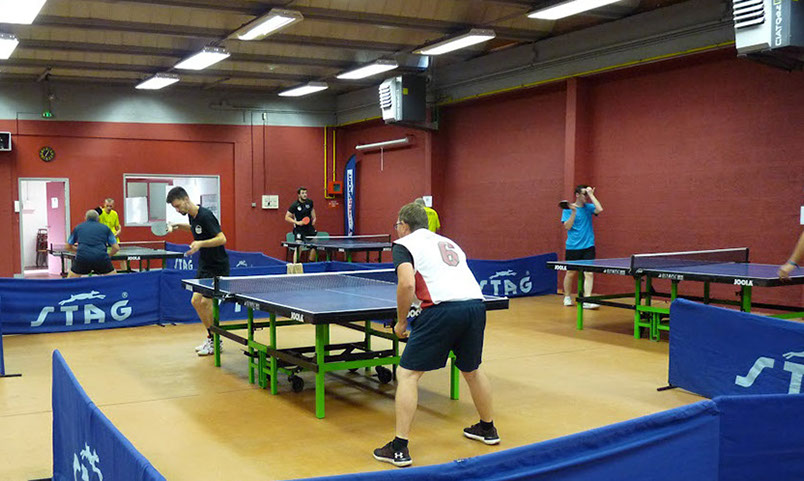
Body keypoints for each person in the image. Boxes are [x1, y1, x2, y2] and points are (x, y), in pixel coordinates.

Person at [373, 203, 498, 468]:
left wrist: (401, 322)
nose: (396, 229)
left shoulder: (403, 244)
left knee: (407, 374)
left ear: (404, 225)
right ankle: (488, 429)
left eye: (397, 225)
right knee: (472, 370)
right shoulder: (449, 242)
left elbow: (407, 283)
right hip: (475, 306)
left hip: (442, 309)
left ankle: (399, 448)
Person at [165, 187, 229, 357]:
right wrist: (178, 226)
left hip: (217, 265)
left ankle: (216, 341)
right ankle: (211, 337)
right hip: (205, 265)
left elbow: (222, 238)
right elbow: (195, 228)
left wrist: (200, 244)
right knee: (195, 301)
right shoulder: (191, 216)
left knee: (206, 303)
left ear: (186, 199)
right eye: (174, 207)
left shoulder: (206, 215)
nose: (177, 210)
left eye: (178, 206)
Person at [561, 185, 603, 309]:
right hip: (573, 247)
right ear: (577, 195)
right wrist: (574, 211)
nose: (586, 196)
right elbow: (567, 226)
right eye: (584, 194)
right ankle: (567, 296)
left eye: (586, 194)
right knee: (570, 273)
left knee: (589, 273)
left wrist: (591, 194)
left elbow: (599, 209)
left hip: (588, 246)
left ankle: (587, 300)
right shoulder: (568, 210)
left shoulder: (589, 208)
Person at [65, 210, 119, 277]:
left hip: (83, 258)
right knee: (113, 279)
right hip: (101, 257)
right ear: (98, 219)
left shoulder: (78, 228)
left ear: (85, 218)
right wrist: (108, 256)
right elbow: (116, 248)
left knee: (71, 279)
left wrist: (78, 250)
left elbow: (67, 247)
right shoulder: (106, 228)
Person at [284, 186, 317, 262]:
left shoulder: (310, 202)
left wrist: (314, 218)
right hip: (299, 229)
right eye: (303, 193)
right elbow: (287, 217)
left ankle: (310, 263)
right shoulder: (294, 205)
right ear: (299, 195)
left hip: (309, 228)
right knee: (298, 247)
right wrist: (297, 222)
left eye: (306, 193)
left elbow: (312, 210)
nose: (305, 194)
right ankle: (295, 265)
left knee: (315, 245)